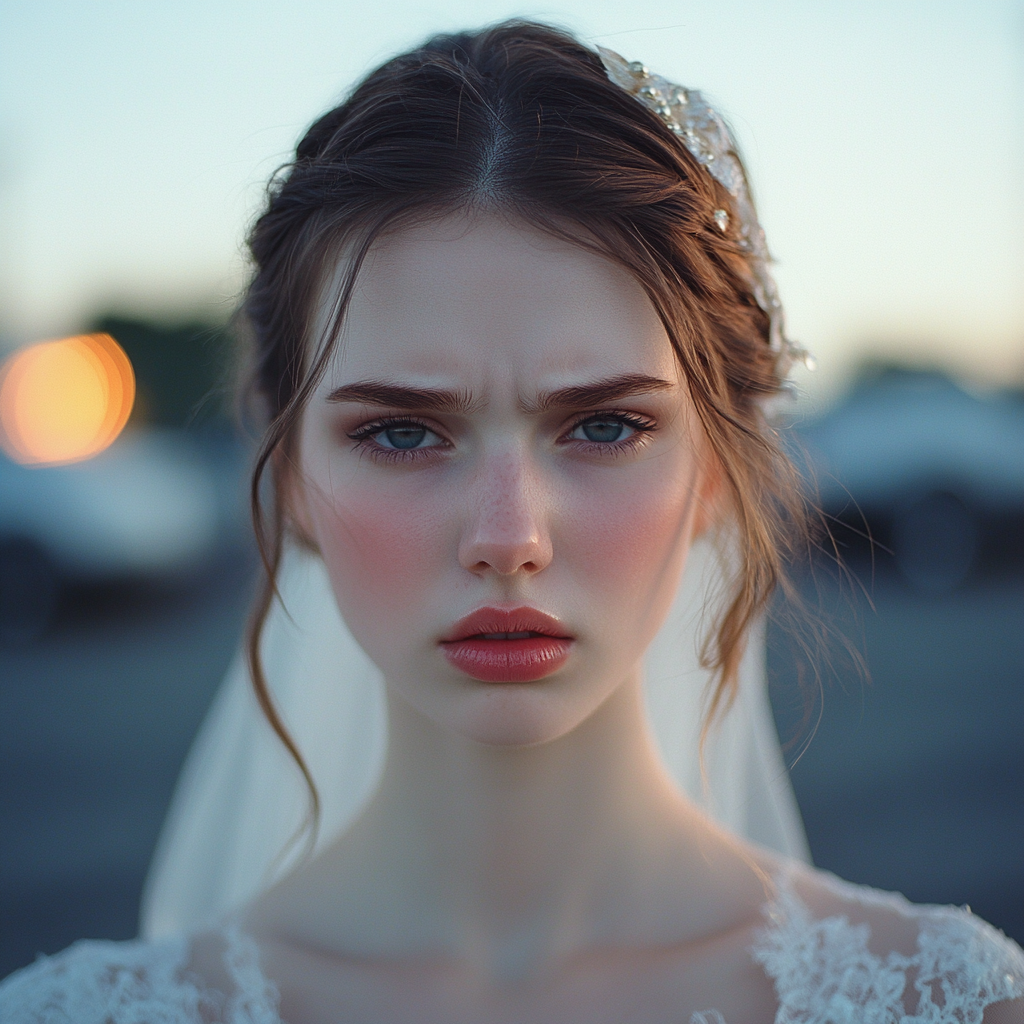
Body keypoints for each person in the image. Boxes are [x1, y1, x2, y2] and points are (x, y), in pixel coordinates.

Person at [2, 21, 1022, 1023]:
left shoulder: (947, 1000)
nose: (508, 537)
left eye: (606, 423)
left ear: (716, 466)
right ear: (293, 473)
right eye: (402, 433)